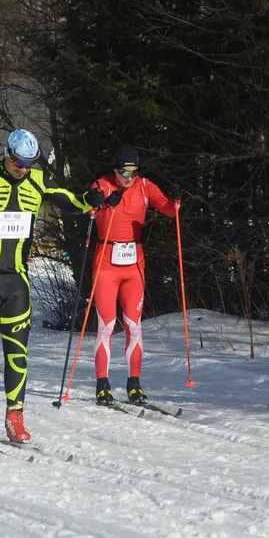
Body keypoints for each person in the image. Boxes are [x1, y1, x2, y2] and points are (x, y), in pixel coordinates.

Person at [0, 129, 93, 444]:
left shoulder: (38, 179)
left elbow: (70, 201)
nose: (23, 168)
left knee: (17, 355)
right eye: (19, 161)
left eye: (29, 162)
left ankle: (15, 417)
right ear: (7, 153)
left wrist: (90, 202)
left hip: (17, 279)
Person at [86, 144, 179, 406]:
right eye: (123, 172)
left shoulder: (145, 186)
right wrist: (103, 204)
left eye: (133, 173)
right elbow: (88, 207)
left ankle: (134, 384)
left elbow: (169, 210)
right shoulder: (102, 184)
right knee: (106, 325)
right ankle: (102, 384)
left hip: (134, 264)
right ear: (114, 170)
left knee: (134, 325)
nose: (128, 178)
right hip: (106, 264)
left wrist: (176, 200)